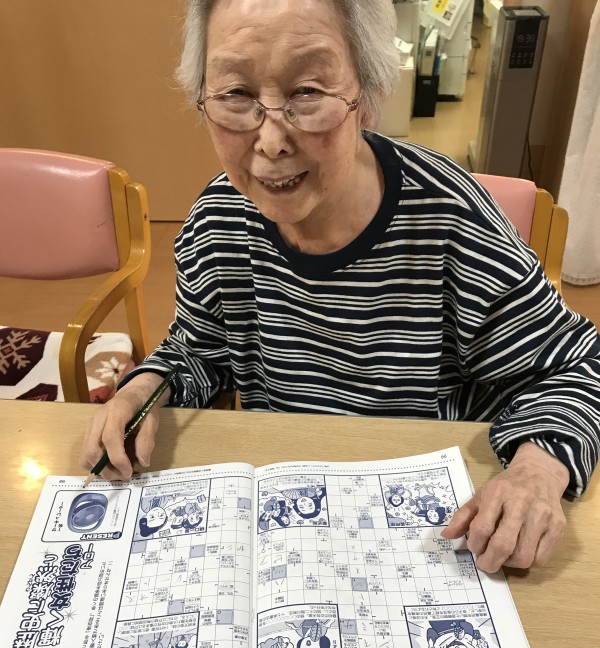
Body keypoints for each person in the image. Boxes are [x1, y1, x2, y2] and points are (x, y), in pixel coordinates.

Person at [80, 0, 600, 574]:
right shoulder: (218, 220)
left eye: (307, 91)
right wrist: (141, 391)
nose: (270, 141)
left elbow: (574, 366)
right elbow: (201, 352)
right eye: (236, 94)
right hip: (283, 505)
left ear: (367, 94)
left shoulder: (450, 217)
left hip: (431, 519)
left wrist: (536, 471)